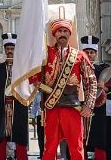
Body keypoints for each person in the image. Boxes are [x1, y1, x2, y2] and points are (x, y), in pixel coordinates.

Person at [27, 19, 98, 160]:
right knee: (49, 148)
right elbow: (33, 72)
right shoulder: (44, 53)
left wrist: (89, 105)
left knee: (76, 147)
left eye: (65, 31)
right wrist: (35, 81)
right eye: (59, 31)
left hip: (72, 108)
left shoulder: (80, 55)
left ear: (69, 34)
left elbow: (91, 81)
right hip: (51, 107)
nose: (62, 34)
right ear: (54, 34)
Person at [0, 33, 32, 160]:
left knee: (20, 136)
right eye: (8, 49)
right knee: (0, 137)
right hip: (1, 107)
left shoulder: (22, 68)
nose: (10, 51)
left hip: (19, 106)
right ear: (4, 50)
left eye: (12, 49)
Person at [83, 37, 111, 160]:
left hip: (98, 111)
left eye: (92, 52)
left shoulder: (103, 69)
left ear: (96, 54)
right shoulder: (76, 68)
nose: (89, 54)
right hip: (80, 109)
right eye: (86, 52)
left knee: (99, 140)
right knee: (80, 139)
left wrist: (105, 88)